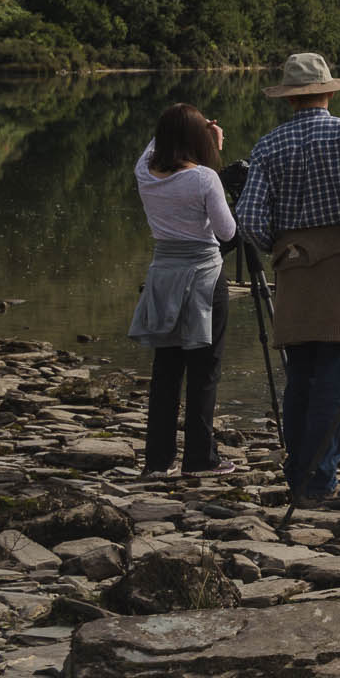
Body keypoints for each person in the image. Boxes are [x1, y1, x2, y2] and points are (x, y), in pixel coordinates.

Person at [234, 53, 340, 510]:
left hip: (293, 270)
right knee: (339, 375)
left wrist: (281, 248)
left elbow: (246, 219)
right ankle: (320, 483)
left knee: (302, 375)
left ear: (289, 98)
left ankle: (299, 474)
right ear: (328, 91)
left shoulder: (268, 146)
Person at [127, 103, 239, 477]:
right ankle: (199, 459)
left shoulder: (144, 172)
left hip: (163, 276)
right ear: (196, 140)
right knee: (204, 370)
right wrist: (214, 146)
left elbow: (151, 146)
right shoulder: (205, 178)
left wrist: (186, 128)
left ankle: (157, 461)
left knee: (166, 371)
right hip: (203, 278)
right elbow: (227, 233)